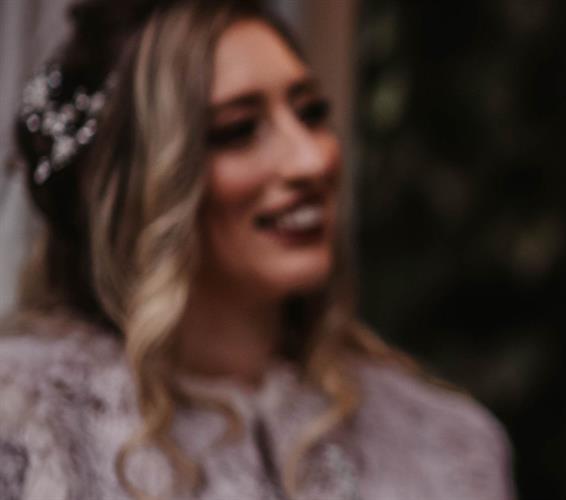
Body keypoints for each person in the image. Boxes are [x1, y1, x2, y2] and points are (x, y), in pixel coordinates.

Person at [0, 1, 514, 498]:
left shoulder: (445, 447)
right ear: (138, 186)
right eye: (238, 130)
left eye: (311, 113)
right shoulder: (25, 428)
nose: (310, 161)